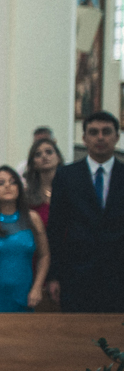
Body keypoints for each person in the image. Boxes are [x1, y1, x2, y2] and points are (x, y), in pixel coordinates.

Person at [47, 111, 124, 312]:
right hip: (76, 274)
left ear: (117, 137)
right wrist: (53, 276)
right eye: (93, 132)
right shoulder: (66, 176)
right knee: (76, 337)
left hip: (118, 273)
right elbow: (55, 229)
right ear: (84, 138)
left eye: (106, 132)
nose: (100, 137)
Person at [0, 166, 49, 312]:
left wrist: (37, 287)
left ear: (19, 187)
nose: (7, 186)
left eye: (13, 182)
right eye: (1, 183)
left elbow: (44, 255)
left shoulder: (33, 218)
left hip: (25, 294)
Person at [22, 136, 63, 225]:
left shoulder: (71, 190)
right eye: (38, 154)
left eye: (49, 152)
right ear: (33, 163)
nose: (44, 156)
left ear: (58, 157)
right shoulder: (27, 196)